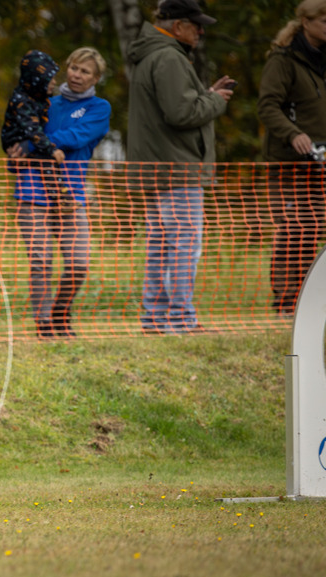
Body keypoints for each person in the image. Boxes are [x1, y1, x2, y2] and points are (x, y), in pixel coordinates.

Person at [126, 0, 234, 335]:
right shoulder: (170, 57)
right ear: (177, 25)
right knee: (185, 243)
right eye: (196, 24)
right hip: (178, 168)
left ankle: (156, 319)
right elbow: (180, 114)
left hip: (158, 167)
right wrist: (216, 101)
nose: (201, 31)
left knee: (161, 243)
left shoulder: (152, 55)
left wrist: (205, 93)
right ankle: (180, 319)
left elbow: (174, 106)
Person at [7, 48, 111, 339]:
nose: (77, 75)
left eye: (85, 71)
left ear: (96, 78)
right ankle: (44, 326)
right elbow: (22, 132)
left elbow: (77, 137)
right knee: (40, 261)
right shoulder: (44, 103)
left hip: (70, 195)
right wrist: (17, 152)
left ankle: (60, 313)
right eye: (74, 68)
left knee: (78, 264)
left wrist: (35, 144)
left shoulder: (99, 108)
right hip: (32, 190)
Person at [257, 0, 326, 317]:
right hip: (290, 163)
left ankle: (311, 304)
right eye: (324, 20)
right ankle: (286, 304)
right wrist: (293, 133)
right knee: (295, 230)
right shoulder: (283, 60)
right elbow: (268, 106)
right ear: (306, 22)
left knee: (315, 230)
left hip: (321, 163)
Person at [1, 50, 72, 210]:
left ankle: (62, 195)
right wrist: (51, 149)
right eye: (49, 79)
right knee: (47, 159)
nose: (54, 82)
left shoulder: (38, 98)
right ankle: (60, 198)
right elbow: (33, 130)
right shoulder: (22, 101)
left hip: (27, 140)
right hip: (17, 141)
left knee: (45, 159)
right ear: (36, 81)